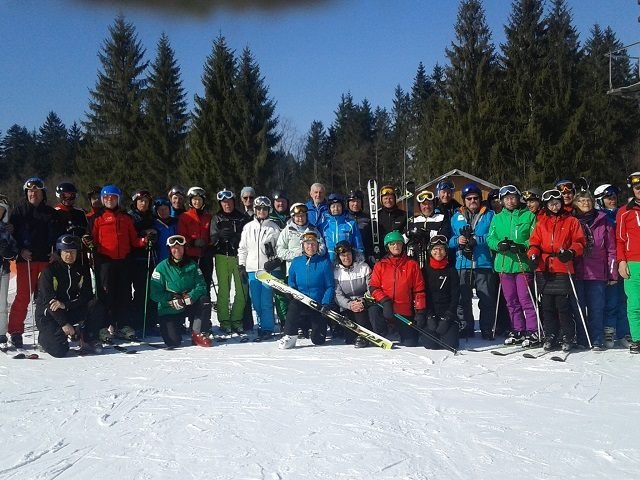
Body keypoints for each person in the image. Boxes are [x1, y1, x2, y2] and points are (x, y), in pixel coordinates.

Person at [528, 189, 586, 352]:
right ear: (546, 205)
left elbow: (580, 242)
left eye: (557, 203)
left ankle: (568, 335)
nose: (554, 206)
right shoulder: (541, 222)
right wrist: (533, 255)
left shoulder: (571, 221)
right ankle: (550, 334)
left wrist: (571, 252)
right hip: (544, 267)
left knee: (563, 305)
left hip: (562, 265)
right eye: (551, 204)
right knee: (546, 305)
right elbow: (534, 243)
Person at [92, 185, 150, 342]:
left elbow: (134, 241)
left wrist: (144, 241)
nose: (110, 200)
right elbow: (93, 240)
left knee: (124, 294)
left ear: (118, 199)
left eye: (113, 198)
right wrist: (90, 245)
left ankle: (123, 325)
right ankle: (104, 326)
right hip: (105, 262)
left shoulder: (125, 218)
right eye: (107, 198)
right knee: (106, 295)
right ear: (103, 200)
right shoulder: (97, 218)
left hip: (124, 261)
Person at [8, 177, 57, 348]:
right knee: (23, 296)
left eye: (36, 191)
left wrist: (56, 253)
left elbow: (58, 237)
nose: (33, 194)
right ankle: (15, 331)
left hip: (46, 260)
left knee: (45, 298)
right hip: (25, 260)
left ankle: (47, 328)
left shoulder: (51, 213)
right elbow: (11, 237)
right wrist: (20, 250)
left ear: (43, 193)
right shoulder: (19, 212)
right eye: (30, 191)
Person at [487, 185, 538, 346]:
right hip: (504, 264)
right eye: (506, 198)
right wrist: (498, 245)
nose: (510, 201)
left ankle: (533, 330)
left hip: (522, 264)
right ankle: (518, 329)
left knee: (525, 299)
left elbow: (535, 237)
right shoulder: (497, 217)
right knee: (511, 300)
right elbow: (490, 238)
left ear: (518, 198)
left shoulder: (528, 216)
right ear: (502, 201)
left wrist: (523, 245)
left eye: (513, 197)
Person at [35, 235, 98, 357]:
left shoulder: (81, 269)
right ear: (60, 252)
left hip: (68, 309)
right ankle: (46, 338)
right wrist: (64, 324)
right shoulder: (49, 271)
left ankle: (87, 338)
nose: (69, 255)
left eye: (73, 252)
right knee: (59, 351)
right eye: (66, 252)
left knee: (95, 304)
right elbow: (49, 301)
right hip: (49, 316)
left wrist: (66, 305)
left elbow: (87, 295)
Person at [449, 182, 496, 339]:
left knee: (486, 299)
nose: (472, 201)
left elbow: (492, 237)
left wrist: (477, 239)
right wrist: (458, 240)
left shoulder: (489, 215)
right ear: (464, 200)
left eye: (475, 198)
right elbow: (448, 240)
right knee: (463, 299)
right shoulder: (456, 217)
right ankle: (466, 327)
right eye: (469, 199)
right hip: (463, 262)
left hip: (483, 262)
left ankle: (486, 329)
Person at [572, 190, 616, 350]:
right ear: (576, 203)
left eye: (588, 200)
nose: (585, 204)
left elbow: (611, 249)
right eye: (582, 201)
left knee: (596, 307)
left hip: (597, 271)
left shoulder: (603, 221)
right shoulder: (572, 221)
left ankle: (596, 338)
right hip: (576, 270)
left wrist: (612, 272)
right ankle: (582, 338)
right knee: (578, 307)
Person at [150, 234, 211, 348]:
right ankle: (177, 328)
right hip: (169, 308)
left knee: (204, 301)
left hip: (188, 303)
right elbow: (154, 294)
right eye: (174, 247)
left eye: (179, 247)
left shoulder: (193, 265)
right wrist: (170, 298)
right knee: (173, 342)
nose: (177, 250)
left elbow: (201, 285)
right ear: (169, 249)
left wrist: (191, 296)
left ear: (184, 248)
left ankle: (198, 333)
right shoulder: (161, 268)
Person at [278, 229, 334, 349]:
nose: (310, 246)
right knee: (293, 306)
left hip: (317, 304)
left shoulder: (324, 263)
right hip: (301, 301)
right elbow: (291, 280)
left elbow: (330, 286)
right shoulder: (296, 262)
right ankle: (290, 335)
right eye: (308, 244)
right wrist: (291, 291)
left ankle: (315, 330)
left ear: (318, 245)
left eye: (313, 244)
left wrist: (325, 303)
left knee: (318, 340)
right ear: (303, 246)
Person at [369, 231, 426, 347]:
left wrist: (420, 312)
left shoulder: (412, 264)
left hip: (403, 311)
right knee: (373, 310)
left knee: (411, 343)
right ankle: (381, 333)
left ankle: (400, 330)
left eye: (399, 244)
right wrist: (385, 301)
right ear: (387, 247)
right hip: (385, 309)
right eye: (392, 244)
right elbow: (373, 287)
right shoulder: (380, 265)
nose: (396, 247)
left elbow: (419, 290)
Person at [238, 196, 281, 340]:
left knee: (266, 300)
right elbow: (243, 248)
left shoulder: (274, 228)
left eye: (264, 209)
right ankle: (261, 325)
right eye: (259, 209)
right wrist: (241, 266)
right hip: (252, 269)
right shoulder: (248, 227)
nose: (262, 211)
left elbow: (279, 249)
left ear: (268, 210)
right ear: (255, 210)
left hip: (267, 270)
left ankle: (267, 328)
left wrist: (276, 261)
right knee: (255, 300)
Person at [594, 183, 630, 348]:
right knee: (610, 300)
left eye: (614, 197)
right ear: (601, 200)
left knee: (625, 299)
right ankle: (608, 330)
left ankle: (624, 332)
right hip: (608, 264)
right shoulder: (599, 217)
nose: (612, 200)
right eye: (609, 198)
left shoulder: (622, 213)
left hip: (626, 260)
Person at [210, 188, 250, 335]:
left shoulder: (241, 217)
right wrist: (219, 236)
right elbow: (212, 238)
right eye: (223, 202)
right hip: (222, 256)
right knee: (224, 290)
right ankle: (224, 320)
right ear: (220, 204)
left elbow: (247, 235)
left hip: (239, 256)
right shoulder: (217, 218)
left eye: (229, 202)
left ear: (234, 202)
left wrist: (237, 236)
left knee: (242, 289)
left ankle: (237, 319)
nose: (227, 205)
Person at [177, 186, 213, 331]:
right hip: (190, 256)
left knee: (204, 288)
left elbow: (212, 234)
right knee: (189, 289)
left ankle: (203, 320)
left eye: (199, 200)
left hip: (204, 256)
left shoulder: (208, 217)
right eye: (194, 200)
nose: (197, 202)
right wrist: (192, 242)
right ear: (190, 201)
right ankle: (187, 319)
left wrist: (208, 243)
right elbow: (181, 236)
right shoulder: (185, 216)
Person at [420, 235, 460, 350]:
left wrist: (448, 316)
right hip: (431, 313)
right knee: (430, 345)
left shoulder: (451, 270)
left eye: (441, 249)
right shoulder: (424, 271)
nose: (438, 252)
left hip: (447, 314)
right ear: (430, 251)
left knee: (450, 345)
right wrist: (428, 315)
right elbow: (422, 294)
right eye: (435, 249)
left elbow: (455, 295)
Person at [615, 172, 640, 353]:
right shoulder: (624, 212)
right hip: (633, 262)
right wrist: (621, 261)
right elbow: (620, 239)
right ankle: (638, 339)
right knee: (635, 303)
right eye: (637, 187)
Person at [128, 189, 158, 334]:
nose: (143, 204)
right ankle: (138, 322)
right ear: (135, 202)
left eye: (146, 201)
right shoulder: (131, 217)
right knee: (140, 291)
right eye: (141, 201)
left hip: (151, 257)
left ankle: (151, 322)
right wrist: (144, 236)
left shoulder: (151, 216)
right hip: (137, 259)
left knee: (152, 290)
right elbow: (131, 236)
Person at [333, 241, 372, 348]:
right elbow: (338, 295)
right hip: (348, 305)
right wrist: (349, 304)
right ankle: (354, 334)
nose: (346, 258)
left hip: (364, 302)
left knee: (360, 312)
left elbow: (372, 288)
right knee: (349, 338)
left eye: (349, 254)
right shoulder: (337, 272)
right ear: (339, 257)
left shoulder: (363, 267)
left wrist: (363, 301)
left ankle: (364, 336)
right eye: (343, 256)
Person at [276, 202, 327, 275]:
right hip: (294, 270)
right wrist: (297, 255)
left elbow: (322, 247)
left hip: (312, 268)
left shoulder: (313, 230)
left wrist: (312, 254)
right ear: (293, 217)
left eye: (303, 216)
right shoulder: (287, 230)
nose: (300, 219)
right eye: (298, 216)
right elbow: (280, 250)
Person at [407, 188, 451, 267]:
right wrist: (408, 234)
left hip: (435, 259)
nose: (427, 206)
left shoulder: (441, 217)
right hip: (417, 259)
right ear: (419, 206)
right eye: (424, 204)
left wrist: (426, 233)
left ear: (433, 204)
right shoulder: (414, 220)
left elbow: (445, 235)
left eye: (429, 203)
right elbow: (403, 238)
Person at [321, 193, 364, 263]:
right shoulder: (324, 225)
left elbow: (358, 244)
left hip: (346, 261)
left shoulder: (351, 224)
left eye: (338, 206)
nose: (336, 209)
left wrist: (360, 259)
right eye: (333, 206)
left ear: (342, 207)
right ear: (329, 208)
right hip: (329, 262)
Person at [0, 195, 18, 348]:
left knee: (2, 304)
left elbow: (14, 249)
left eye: (1, 210)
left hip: (3, 270)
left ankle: (1, 333)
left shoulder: (6, 230)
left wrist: (9, 252)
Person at [346, 190, 374, 263]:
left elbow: (371, 238)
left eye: (358, 201)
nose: (355, 204)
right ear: (348, 203)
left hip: (364, 255)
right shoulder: (344, 218)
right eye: (352, 201)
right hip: (347, 256)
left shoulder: (367, 218)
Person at [153, 197, 177, 263]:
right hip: (160, 260)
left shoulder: (175, 223)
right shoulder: (154, 225)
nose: (163, 211)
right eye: (160, 209)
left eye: (165, 209)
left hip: (175, 258)